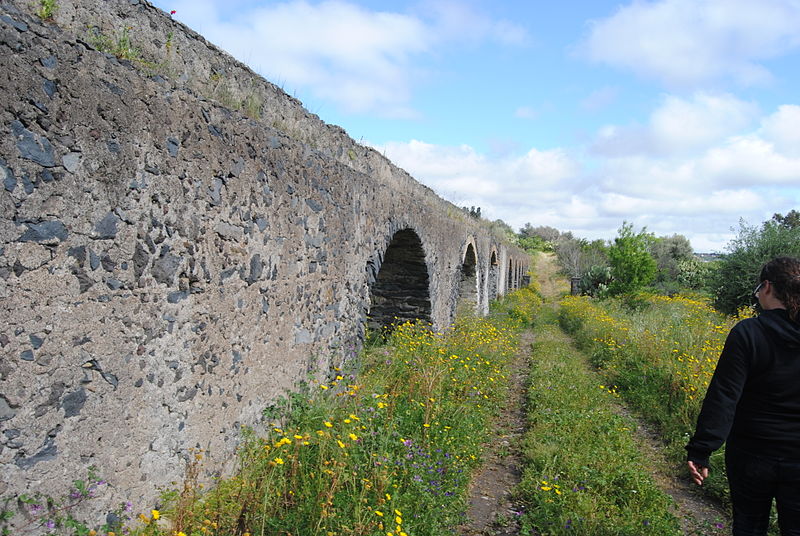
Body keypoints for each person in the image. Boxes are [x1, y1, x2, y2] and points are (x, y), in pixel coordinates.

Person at [686, 256, 800, 535]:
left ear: (768, 287)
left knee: (749, 526)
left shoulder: (749, 333)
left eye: (759, 288)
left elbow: (724, 396)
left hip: (752, 454)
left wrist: (702, 449)